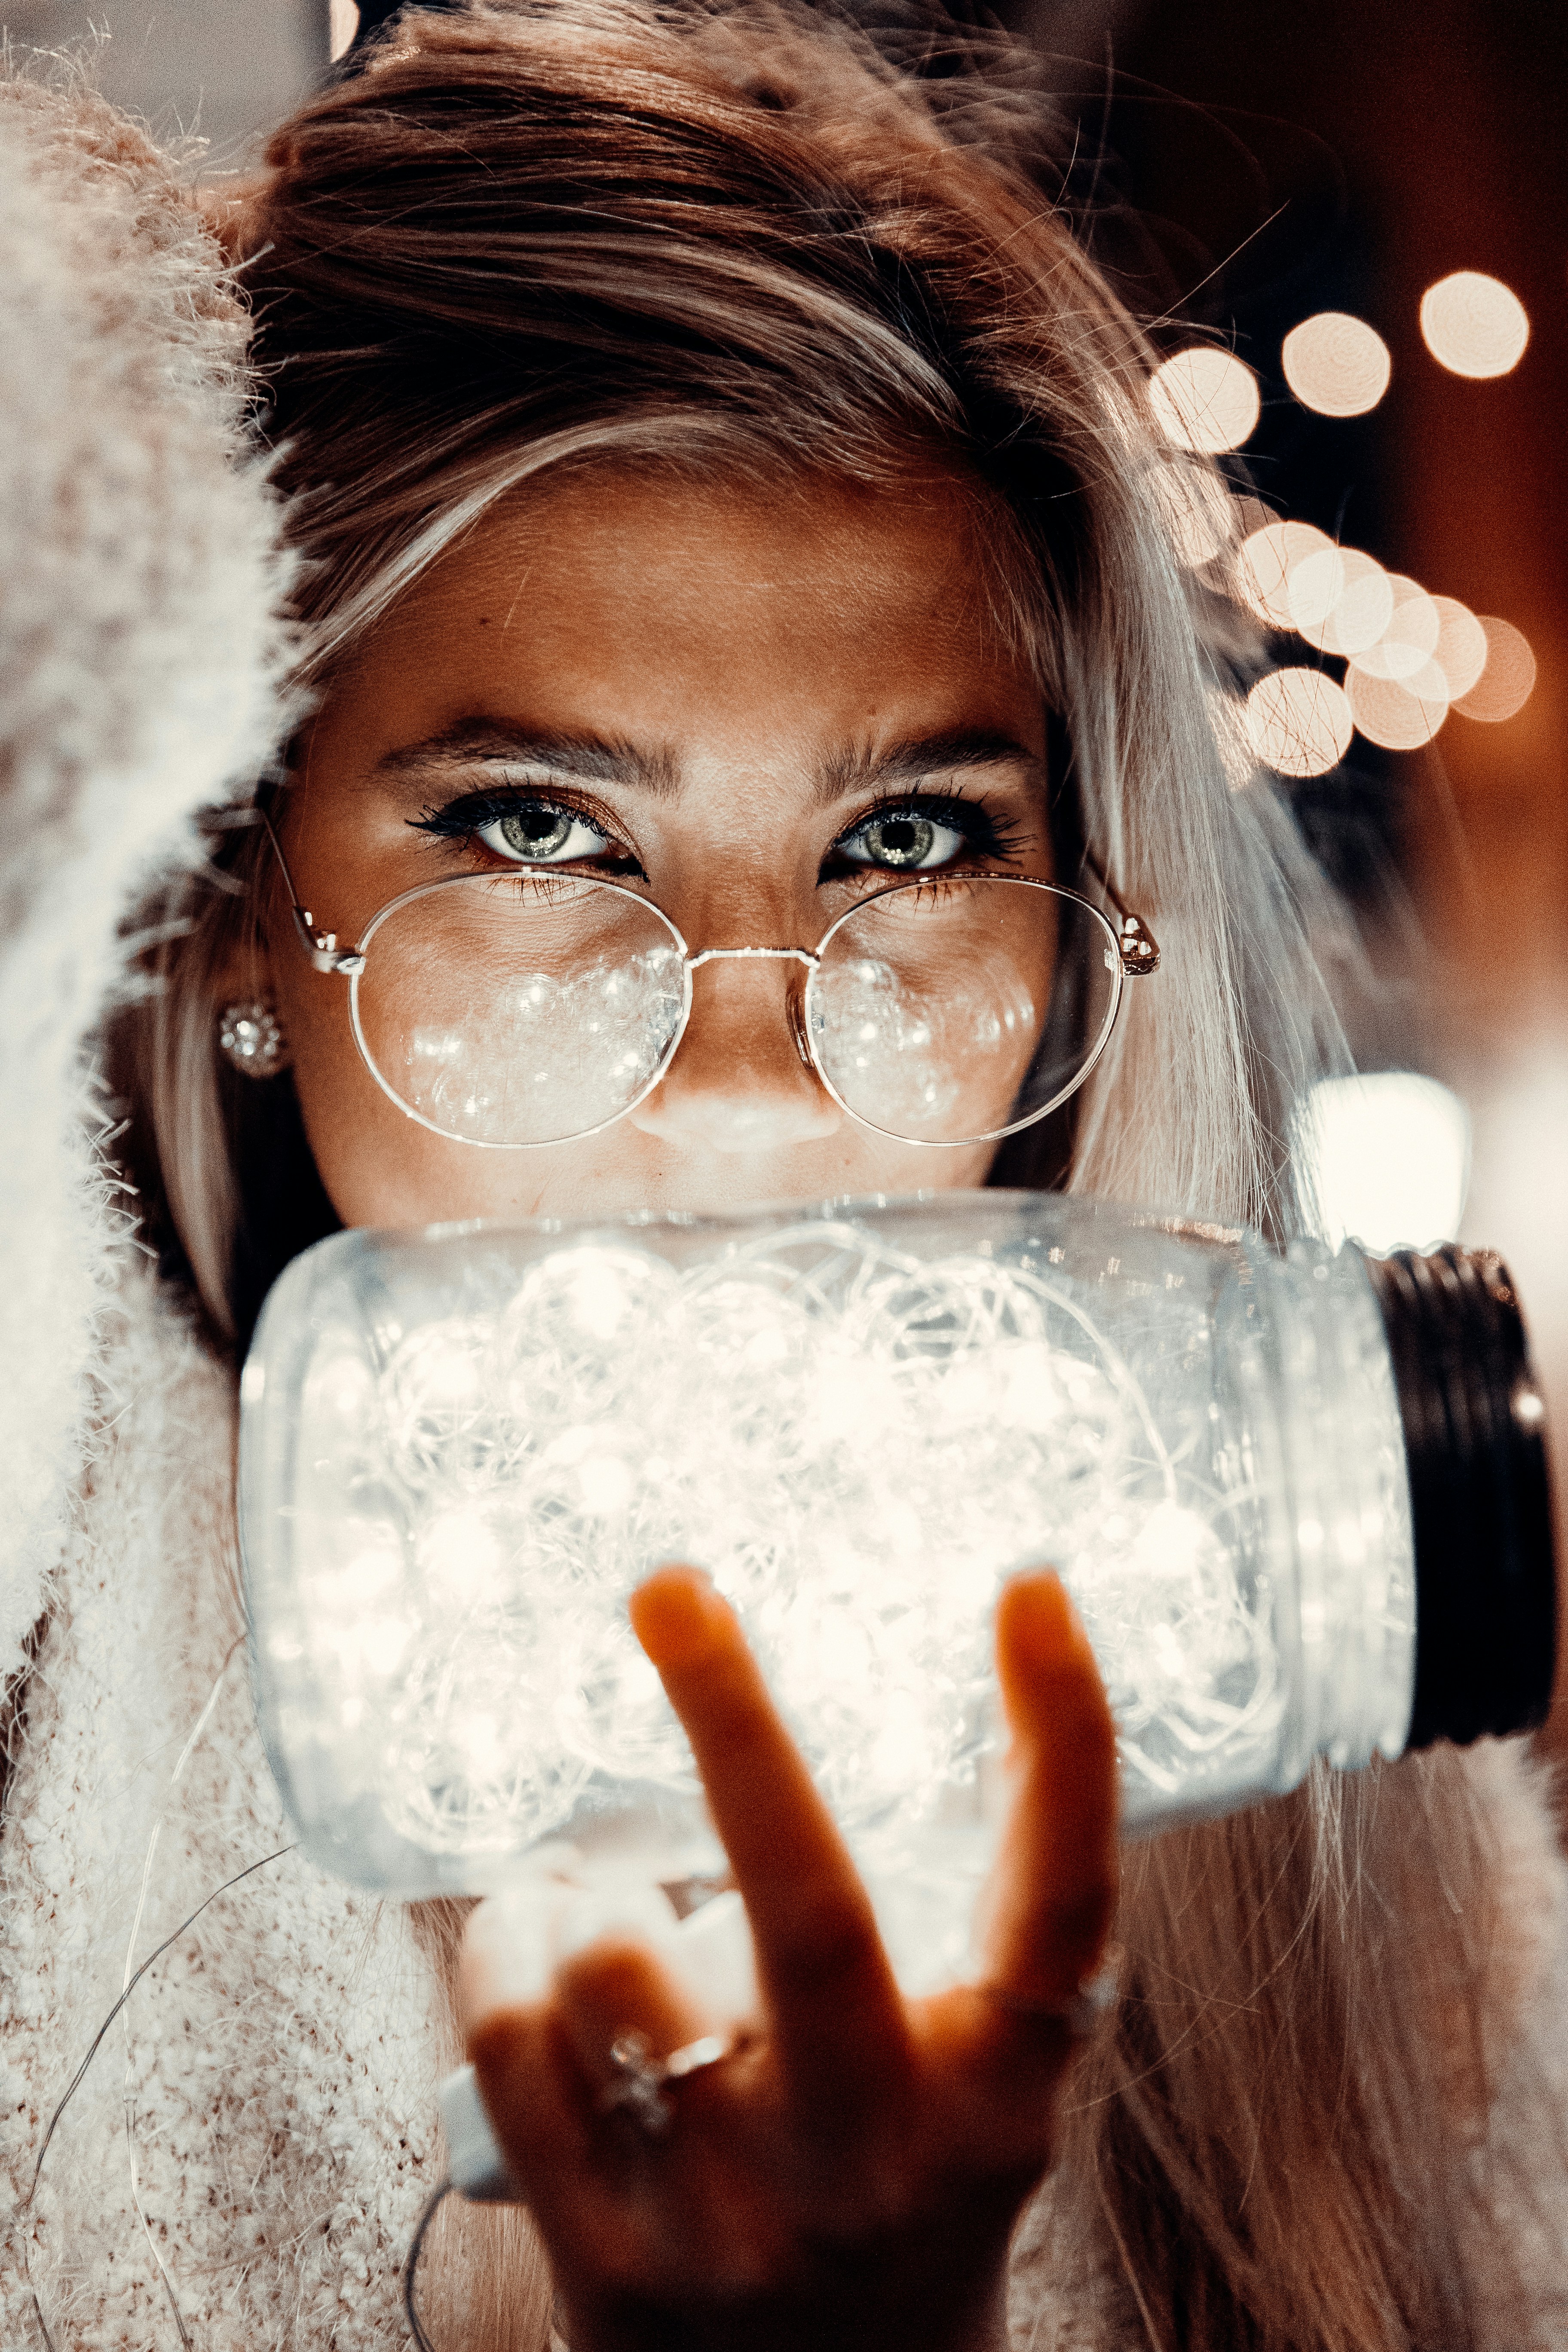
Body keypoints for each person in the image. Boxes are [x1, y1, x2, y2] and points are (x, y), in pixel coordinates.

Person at [3, 5, 1565, 2347]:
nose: (746, 1082)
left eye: (909, 842)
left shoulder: (1363, 1885)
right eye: (539, 831)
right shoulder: (44, 1654)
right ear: (234, 893)